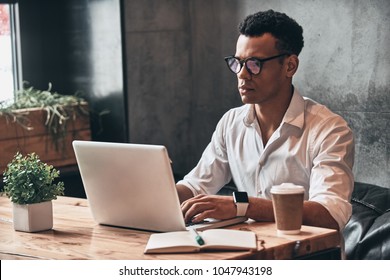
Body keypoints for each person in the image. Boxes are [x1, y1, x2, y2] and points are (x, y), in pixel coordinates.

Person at [176, 10, 354, 231]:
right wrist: (154, 191)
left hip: (306, 256)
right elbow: (196, 185)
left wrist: (241, 206)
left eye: (254, 64)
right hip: (252, 251)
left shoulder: (329, 130)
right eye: (237, 63)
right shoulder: (231, 122)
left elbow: (329, 214)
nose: (242, 74)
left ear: (290, 66)